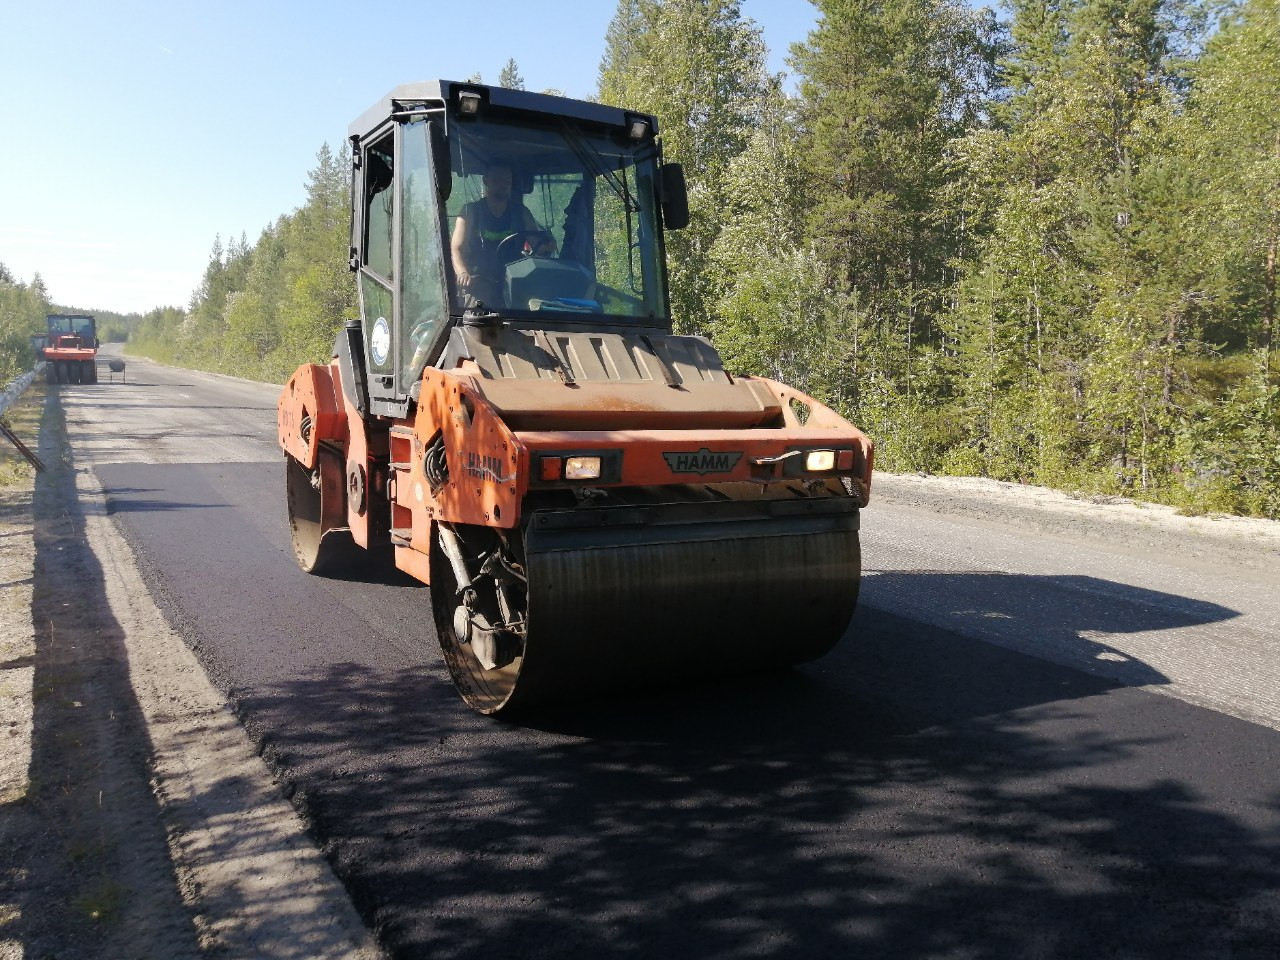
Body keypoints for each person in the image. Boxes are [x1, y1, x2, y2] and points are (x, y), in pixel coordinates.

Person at [450, 161, 556, 307]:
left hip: (515, 281)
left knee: (536, 307)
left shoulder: (521, 213)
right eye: (497, 179)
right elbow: (457, 248)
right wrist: (462, 273)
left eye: (507, 181)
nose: (503, 184)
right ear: (486, 181)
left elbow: (537, 247)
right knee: (477, 314)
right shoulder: (471, 212)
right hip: (479, 282)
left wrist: (547, 246)